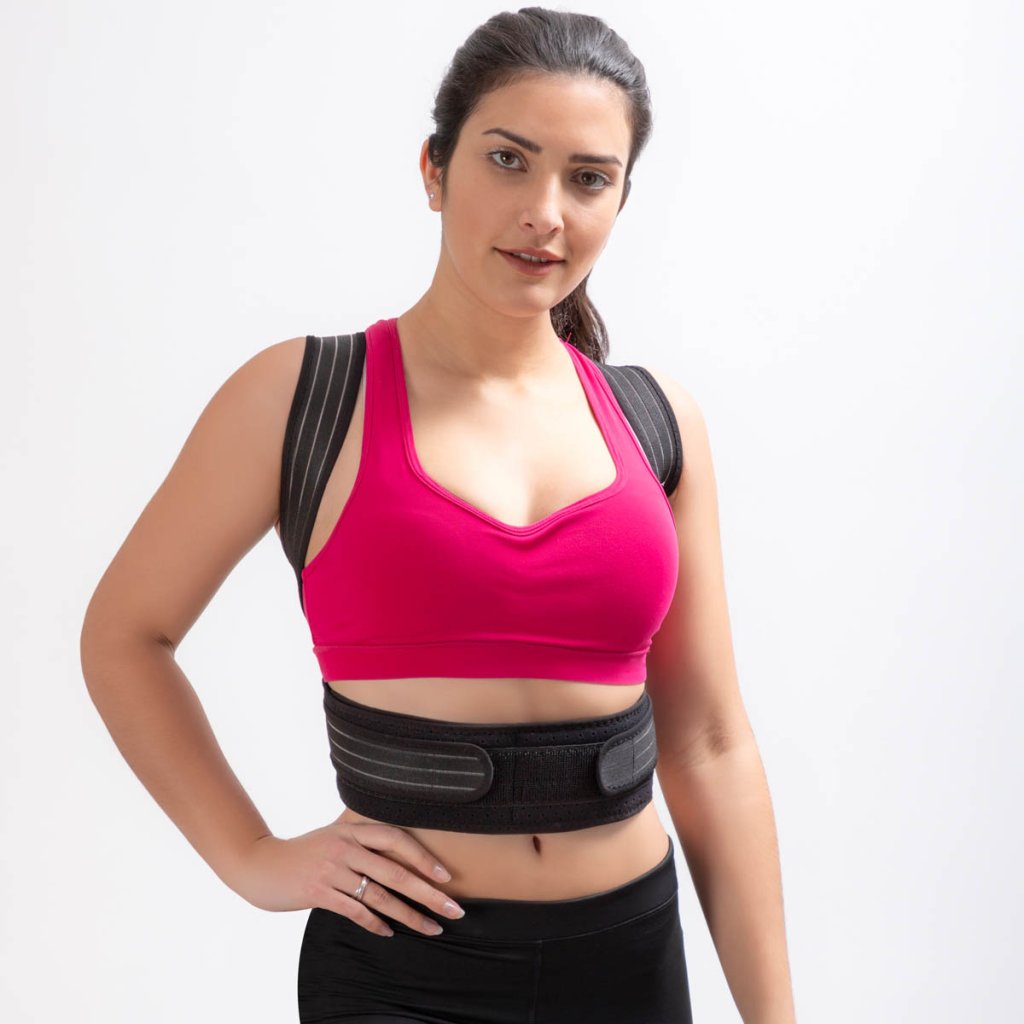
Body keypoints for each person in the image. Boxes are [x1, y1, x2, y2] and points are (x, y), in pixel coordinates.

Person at [80, 7, 796, 1023]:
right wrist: (250, 856)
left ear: (620, 200)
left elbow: (710, 743)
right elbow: (124, 634)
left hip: (629, 961)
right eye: (508, 160)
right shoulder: (305, 398)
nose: (544, 212)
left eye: (588, 178)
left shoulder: (658, 421)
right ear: (434, 170)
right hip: (401, 974)